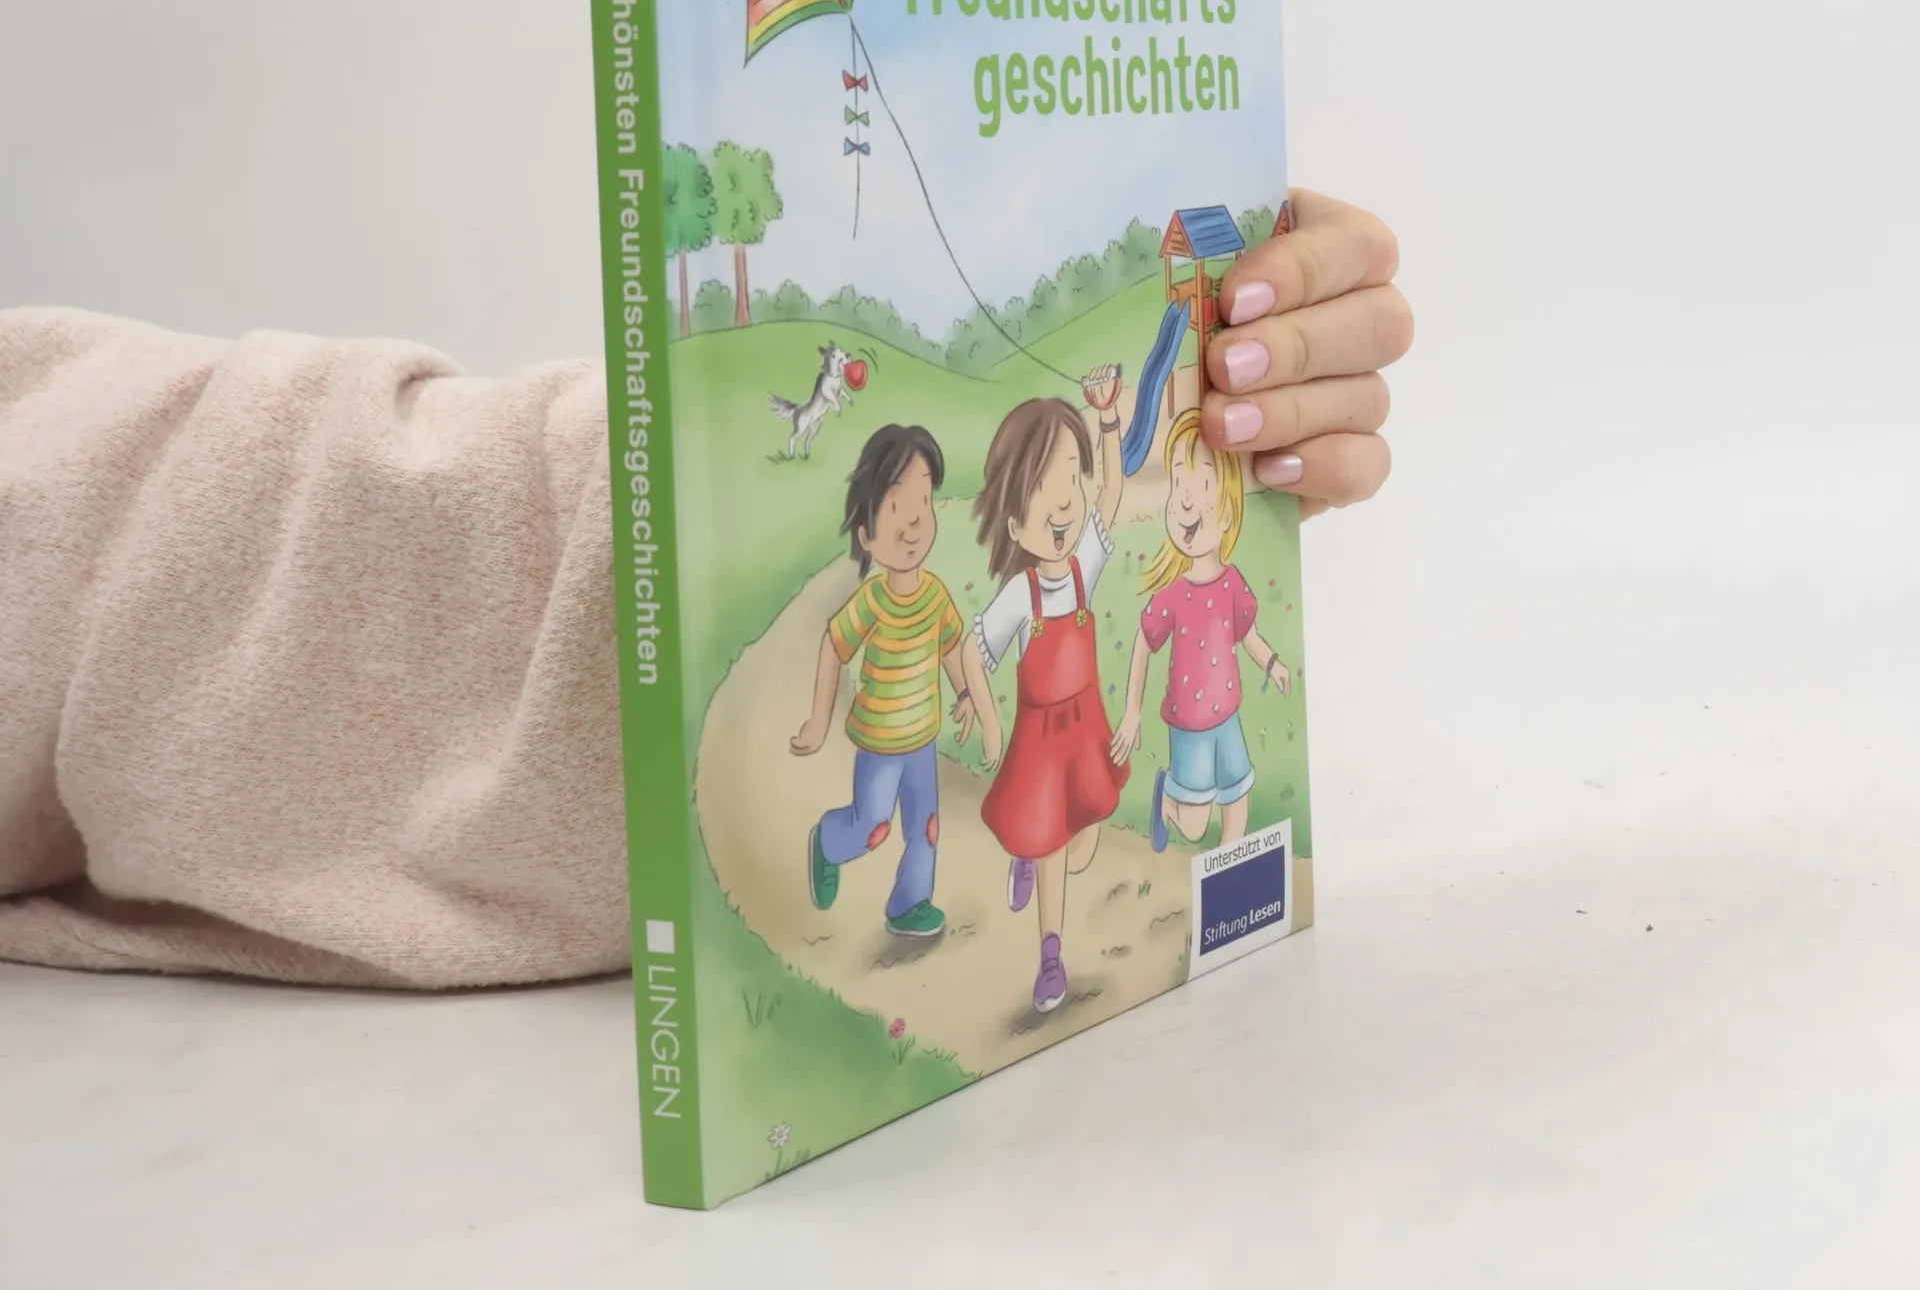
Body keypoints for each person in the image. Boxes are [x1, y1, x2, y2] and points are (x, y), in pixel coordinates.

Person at [0, 189, 1411, 987]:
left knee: (960, 834)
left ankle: (991, 909)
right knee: (894, 821)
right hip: (942, 740)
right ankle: (928, 885)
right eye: (901, 516)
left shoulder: (1043, 563)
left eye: (925, 512)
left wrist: (1178, 402)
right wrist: (826, 709)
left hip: (1038, 734)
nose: (920, 531)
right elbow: (913, 637)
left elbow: (1089, 540)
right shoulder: (918, 595)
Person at [789, 423, 999, 939]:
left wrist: (966, 692)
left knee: (926, 827)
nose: (913, 521)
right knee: (873, 825)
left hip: (922, 741)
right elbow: (834, 646)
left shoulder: (935, 596)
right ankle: (829, 842)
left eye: (923, 500)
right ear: (866, 535)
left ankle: (910, 903)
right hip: (880, 746)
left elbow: (950, 646)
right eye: (895, 506)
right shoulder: (871, 601)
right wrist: (818, 722)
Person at [969, 373, 1127, 1015]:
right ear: (1015, 521)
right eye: (1043, 489)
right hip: (1040, 745)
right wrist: (987, 721)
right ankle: (1051, 955)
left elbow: (1112, 492)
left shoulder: (1084, 566)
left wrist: (1108, 419)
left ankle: (1029, 857)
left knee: (1082, 846)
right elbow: (971, 652)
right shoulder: (1020, 595)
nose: (1062, 504)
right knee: (1058, 845)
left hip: (1084, 734)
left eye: (1069, 478)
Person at [1110, 408, 1291, 852]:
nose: (1185, 500)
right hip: (1188, 724)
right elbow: (1144, 642)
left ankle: (1228, 868)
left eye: (1202, 485)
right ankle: (1167, 801)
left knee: (1238, 800)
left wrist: (1272, 663)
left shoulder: (1232, 584)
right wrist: (1132, 712)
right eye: (1178, 484)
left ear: (1228, 510)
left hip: (1227, 716)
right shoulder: (1173, 594)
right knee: (1193, 827)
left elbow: (1247, 635)